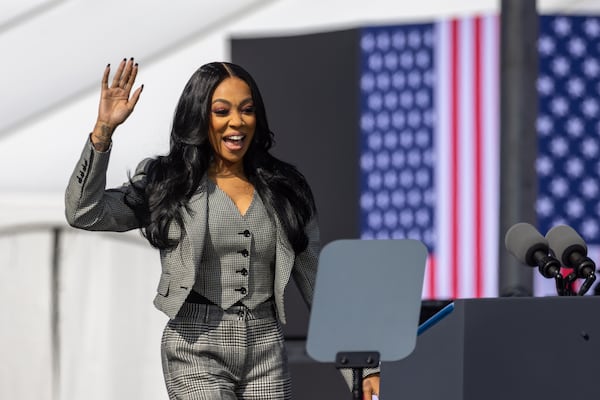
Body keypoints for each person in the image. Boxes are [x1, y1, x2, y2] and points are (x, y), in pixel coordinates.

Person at [65, 58, 380, 399]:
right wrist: (102, 133)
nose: (237, 122)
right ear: (200, 116)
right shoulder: (168, 183)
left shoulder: (285, 188)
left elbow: (319, 285)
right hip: (194, 345)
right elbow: (84, 211)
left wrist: (363, 372)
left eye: (247, 110)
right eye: (222, 111)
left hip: (266, 348)